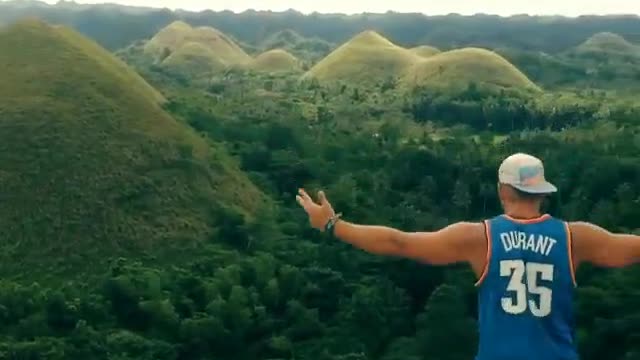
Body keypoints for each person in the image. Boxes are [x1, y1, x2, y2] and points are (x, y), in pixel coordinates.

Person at [295, 152, 640, 360]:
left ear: (503, 190)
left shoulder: (479, 238)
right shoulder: (575, 237)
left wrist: (332, 225)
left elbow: (399, 243)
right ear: (542, 192)